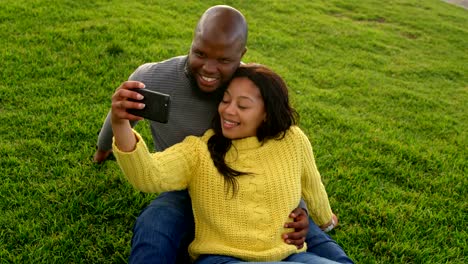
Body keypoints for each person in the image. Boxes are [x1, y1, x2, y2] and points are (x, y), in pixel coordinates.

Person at [94, 4, 352, 264]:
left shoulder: (249, 83)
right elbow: (129, 133)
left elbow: (285, 158)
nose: (209, 68)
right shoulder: (153, 78)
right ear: (193, 42)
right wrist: (104, 146)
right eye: (200, 53)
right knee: (155, 225)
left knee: (312, 239)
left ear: (241, 54)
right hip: (184, 184)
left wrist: (302, 211)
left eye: (224, 60)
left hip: (262, 196)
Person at [112, 63, 341, 263]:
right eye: (225, 100)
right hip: (222, 259)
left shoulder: (292, 140)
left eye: (242, 106)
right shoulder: (199, 150)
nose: (228, 111)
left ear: (267, 114)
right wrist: (120, 123)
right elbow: (149, 175)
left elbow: (312, 185)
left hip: (290, 255)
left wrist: (326, 220)